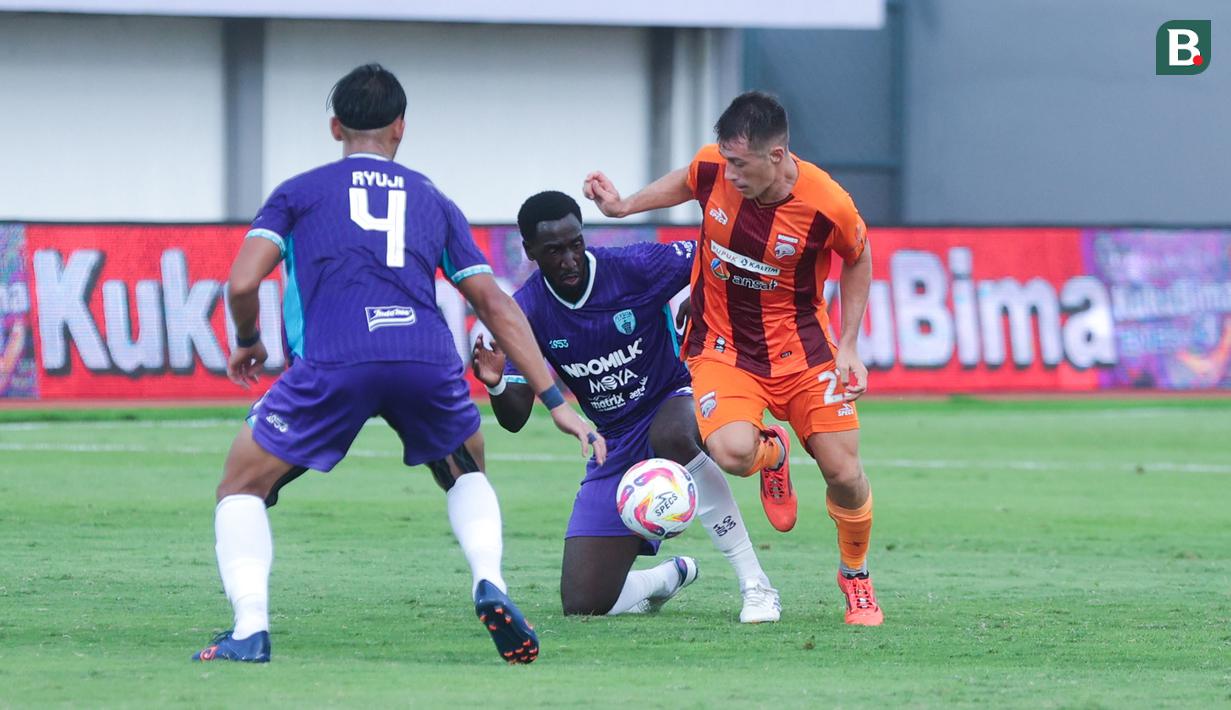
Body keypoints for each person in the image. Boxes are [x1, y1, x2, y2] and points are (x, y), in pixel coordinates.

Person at [192, 64, 604, 665]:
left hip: (336, 359)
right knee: (466, 474)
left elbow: (241, 281)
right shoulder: (432, 199)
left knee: (240, 486)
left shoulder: (300, 193)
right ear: (401, 129)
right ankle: (491, 582)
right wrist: (556, 403)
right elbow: (494, 303)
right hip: (425, 358)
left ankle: (250, 628)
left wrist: (250, 339)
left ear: (336, 126)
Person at [583, 91, 884, 626]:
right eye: (725, 161)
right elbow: (686, 179)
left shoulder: (826, 204)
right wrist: (625, 205)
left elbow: (858, 257)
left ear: (777, 155)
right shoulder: (714, 169)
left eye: (740, 164)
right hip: (721, 346)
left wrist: (851, 345)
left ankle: (855, 576)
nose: (730, 174)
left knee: (843, 471)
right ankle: (772, 453)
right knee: (731, 453)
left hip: (804, 351)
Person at [471, 191, 781, 623]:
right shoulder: (525, 310)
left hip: (675, 398)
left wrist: (705, 290)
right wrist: (499, 382)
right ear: (530, 252)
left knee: (670, 435)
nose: (569, 259)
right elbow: (515, 417)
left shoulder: (632, 267)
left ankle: (757, 586)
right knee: (583, 603)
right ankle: (665, 578)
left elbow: (719, 252)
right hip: (612, 441)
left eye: (575, 244)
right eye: (554, 251)